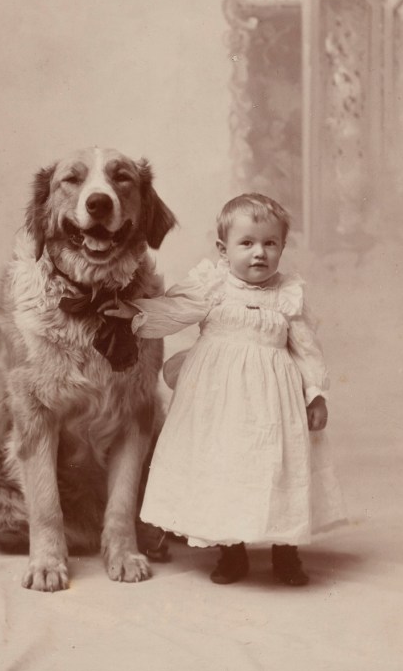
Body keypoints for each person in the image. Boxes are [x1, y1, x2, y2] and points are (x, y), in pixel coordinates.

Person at [107, 192, 344, 585]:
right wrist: (136, 313)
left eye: (270, 243)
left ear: (283, 247)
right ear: (223, 248)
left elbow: (306, 349)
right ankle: (230, 554)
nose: (259, 254)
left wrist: (315, 393)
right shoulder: (212, 284)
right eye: (247, 243)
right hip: (219, 403)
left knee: (276, 469)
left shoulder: (288, 295)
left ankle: (286, 553)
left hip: (274, 407)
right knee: (223, 468)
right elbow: (172, 311)